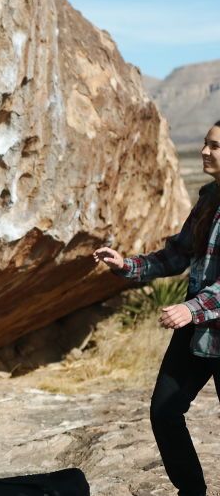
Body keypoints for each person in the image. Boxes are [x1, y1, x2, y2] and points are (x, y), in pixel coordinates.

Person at [94, 120, 220, 496]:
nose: (204, 152)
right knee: (165, 412)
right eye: (204, 143)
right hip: (197, 330)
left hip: (202, 320)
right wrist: (127, 266)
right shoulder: (210, 197)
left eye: (215, 146)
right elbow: (177, 254)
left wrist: (192, 309)